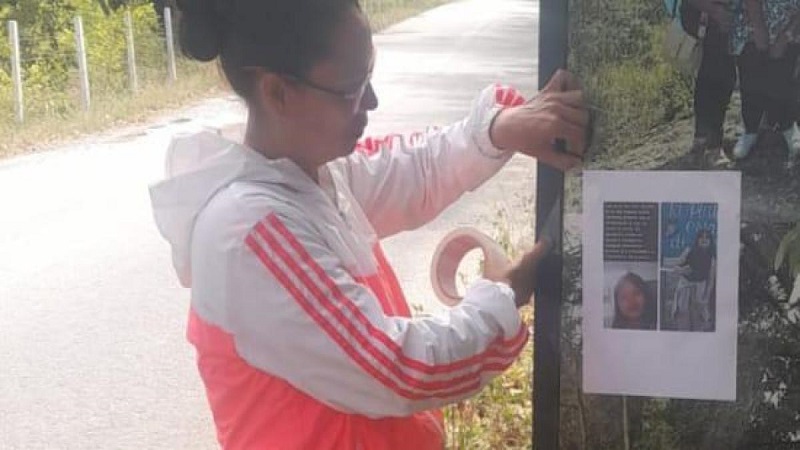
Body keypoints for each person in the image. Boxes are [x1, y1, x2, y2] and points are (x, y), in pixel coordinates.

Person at [148, 0, 589, 448]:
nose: (372, 102)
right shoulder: (249, 232)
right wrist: (503, 296)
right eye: (352, 90)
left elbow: (413, 169)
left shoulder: (313, 176)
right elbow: (397, 370)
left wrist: (500, 129)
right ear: (278, 92)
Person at [729, 0, 800, 168]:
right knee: (751, 73)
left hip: (792, 23)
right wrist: (758, 26)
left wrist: (787, 33)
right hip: (753, 21)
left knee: (784, 77)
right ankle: (751, 130)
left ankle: (788, 127)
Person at [684, 0, 739, 164]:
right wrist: (715, 10)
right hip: (707, 18)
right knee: (718, 79)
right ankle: (712, 146)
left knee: (709, 78)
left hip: (716, 17)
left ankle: (702, 140)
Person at [669, 229, 717, 331]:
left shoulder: (712, 258)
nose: (704, 240)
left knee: (699, 310)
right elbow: (676, 265)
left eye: (707, 237)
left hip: (700, 285)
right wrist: (681, 270)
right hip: (685, 283)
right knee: (682, 309)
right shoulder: (689, 250)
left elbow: (711, 279)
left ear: (710, 241)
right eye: (701, 237)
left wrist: (706, 297)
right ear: (697, 239)